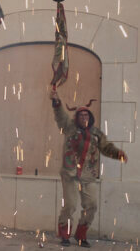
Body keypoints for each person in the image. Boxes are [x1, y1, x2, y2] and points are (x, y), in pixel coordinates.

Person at [50, 90, 128, 247]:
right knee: (70, 205)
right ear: (76, 118)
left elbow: (106, 147)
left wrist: (118, 154)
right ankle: (65, 233)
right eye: (81, 116)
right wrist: (56, 101)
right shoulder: (69, 127)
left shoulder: (97, 133)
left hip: (88, 174)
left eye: (87, 116)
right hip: (70, 173)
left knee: (91, 205)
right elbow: (60, 115)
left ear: (90, 118)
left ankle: (81, 234)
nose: (84, 118)